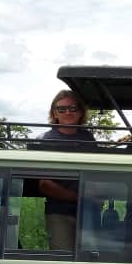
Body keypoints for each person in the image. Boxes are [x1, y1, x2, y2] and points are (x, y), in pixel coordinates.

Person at [36, 90, 96, 250]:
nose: (67, 112)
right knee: (63, 261)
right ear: (54, 113)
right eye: (61, 109)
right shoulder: (47, 141)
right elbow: (45, 184)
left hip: (89, 211)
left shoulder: (88, 138)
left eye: (73, 108)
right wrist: (77, 197)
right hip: (60, 213)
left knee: (92, 262)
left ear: (81, 112)